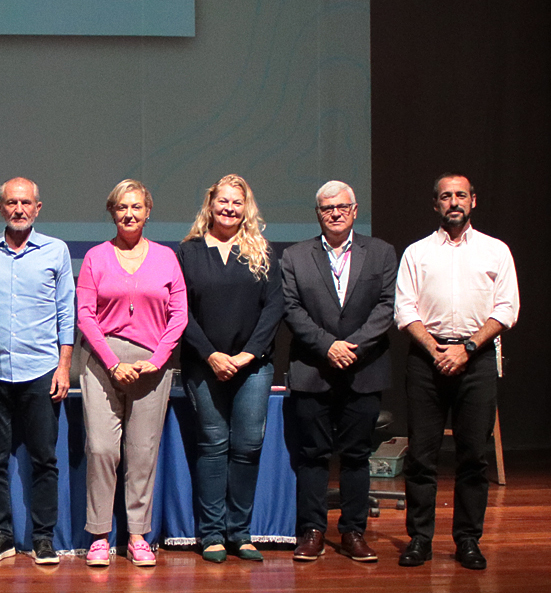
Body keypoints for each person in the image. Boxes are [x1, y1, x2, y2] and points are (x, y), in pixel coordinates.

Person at [394, 173, 519, 571]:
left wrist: (465, 350)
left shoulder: (496, 251)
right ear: (435, 204)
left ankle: (468, 539)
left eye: (460, 195)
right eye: (446, 196)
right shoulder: (416, 253)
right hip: (426, 359)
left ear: (473, 201)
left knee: (472, 457)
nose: (453, 202)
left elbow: (506, 309)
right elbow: (405, 309)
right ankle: (420, 539)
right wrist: (436, 350)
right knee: (422, 457)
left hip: (476, 358)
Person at [281, 181, 396, 563]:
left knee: (356, 456)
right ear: (318, 213)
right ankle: (312, 532)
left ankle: (352, 532)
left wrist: (353, 347)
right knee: (312, 455)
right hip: (313, 369)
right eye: (327, 207)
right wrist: (327, 345)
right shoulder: (295, 256)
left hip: (364, 369)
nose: (335, 212)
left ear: (355, 209)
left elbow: (387, 306)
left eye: (342, 206)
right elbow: (292, 309)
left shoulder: (380, 252)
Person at [76, 179, 187, 568]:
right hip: (104, 362)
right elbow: (85, 315)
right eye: (122, 207)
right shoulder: (95, 257)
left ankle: (138, 534)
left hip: (151, 366)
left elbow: (179, 314)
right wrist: (112, 363)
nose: (129, 214)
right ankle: (99, 536)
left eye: (137, 207)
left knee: (142, 453)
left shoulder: (166, 257)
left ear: (148, 211)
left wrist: (156, 361)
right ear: (112, 212)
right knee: (102, 450)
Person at [176, 174, 283, 563]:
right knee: (213, 444)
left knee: (248, 445)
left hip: (253, 366)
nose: (229, 208)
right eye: (222, 201)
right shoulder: (187, 252)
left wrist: (246, 355)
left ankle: (241, 532)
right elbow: (180, 311)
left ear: (246, 208)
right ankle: (212, 534)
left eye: (236, 202)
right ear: (210, 204)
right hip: (204, 365)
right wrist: (211, 355)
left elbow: (275, 308)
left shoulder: (263, 251)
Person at [0, 178, 74, 566]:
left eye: (26, 202)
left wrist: (64, 367)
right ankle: (1, 536)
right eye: (11, 203)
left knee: (44, 458)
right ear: (0, 209)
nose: (18, 209)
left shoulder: (56, 251)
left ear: (38, 207)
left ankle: (44, 537)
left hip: (41, 371)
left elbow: (67, 312)